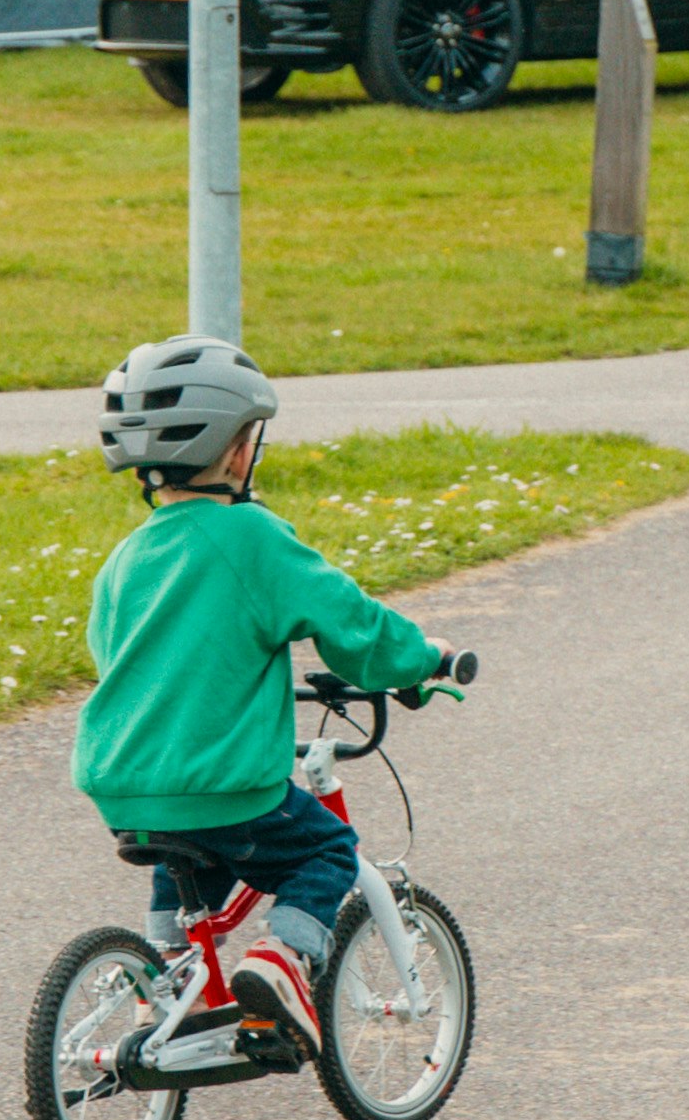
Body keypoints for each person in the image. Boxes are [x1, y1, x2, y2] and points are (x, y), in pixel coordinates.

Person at [74, 336, 456, 1059]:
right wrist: (419, 659)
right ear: (236, 450)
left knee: (192, 854)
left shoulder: (126, 557)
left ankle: (162, 978)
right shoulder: (249, 537)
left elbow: (114, 655)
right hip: (223, 787)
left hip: (122, 785)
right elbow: (351, 624)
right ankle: (281, 963)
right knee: (323, 850)